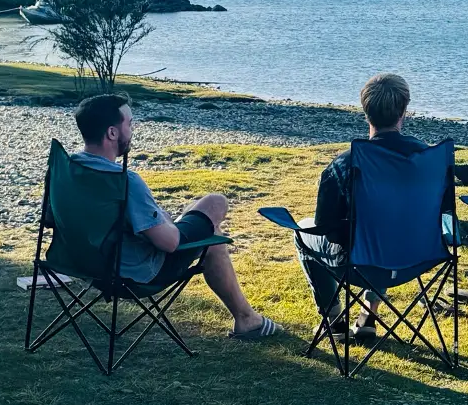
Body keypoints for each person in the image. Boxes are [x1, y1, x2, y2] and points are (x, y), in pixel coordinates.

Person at [71, 94, 281, 340]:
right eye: (130, 123)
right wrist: (166, 222)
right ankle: (246, 319)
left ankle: (247, 318)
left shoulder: (66, 170)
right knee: (215, 205)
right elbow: (169, 244)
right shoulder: (125, 181)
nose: (133, 129)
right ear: (112, 133)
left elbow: (53, 221)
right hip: (133, 273)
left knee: (204, 232)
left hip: (84, 266)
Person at [295, 73, 427, 341]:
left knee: (303, 230)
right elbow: (442, 213)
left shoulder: (344, 165)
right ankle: (368, 315)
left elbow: (326, 230)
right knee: (386, 233)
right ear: (405, 110)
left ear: (366, 111)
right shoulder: (429, 159)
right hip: (416, 258)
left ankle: (335, 322)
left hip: (358, 263)